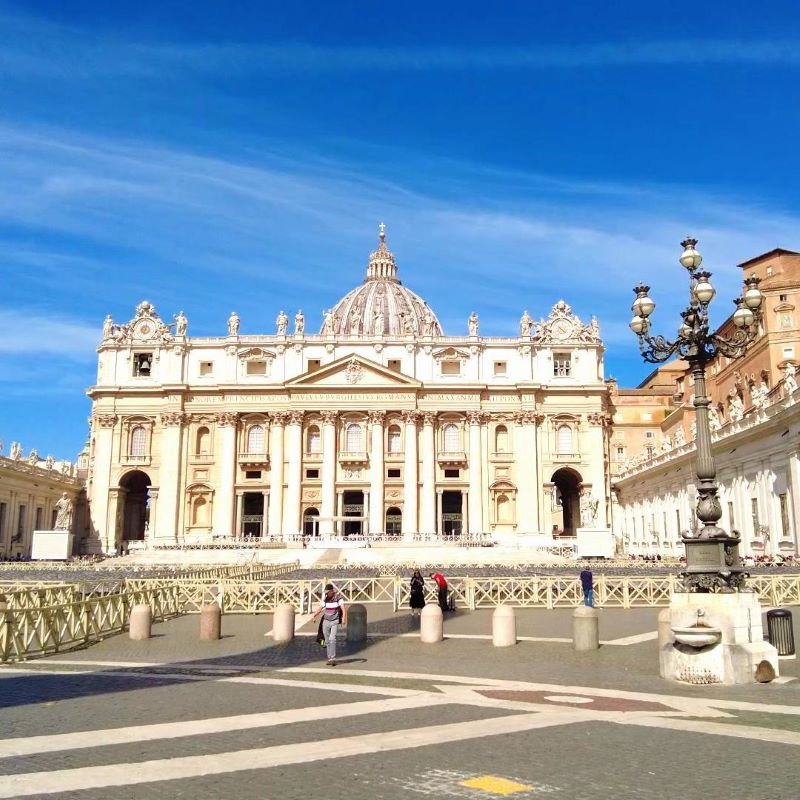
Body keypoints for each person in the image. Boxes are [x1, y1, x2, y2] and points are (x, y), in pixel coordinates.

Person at [312, 583, 346, 666]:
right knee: (327, 641)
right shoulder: (325, 599)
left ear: (332, 591)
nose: (326, 593)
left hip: (335, 621)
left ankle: (333, 658)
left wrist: (344, 618)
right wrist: (314, 615)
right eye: (326, 592)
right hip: (326, 621)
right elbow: (320, 608)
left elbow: (343, 609)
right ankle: (329, 658)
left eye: (327, 592)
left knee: (332, 639)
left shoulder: (338, 598)